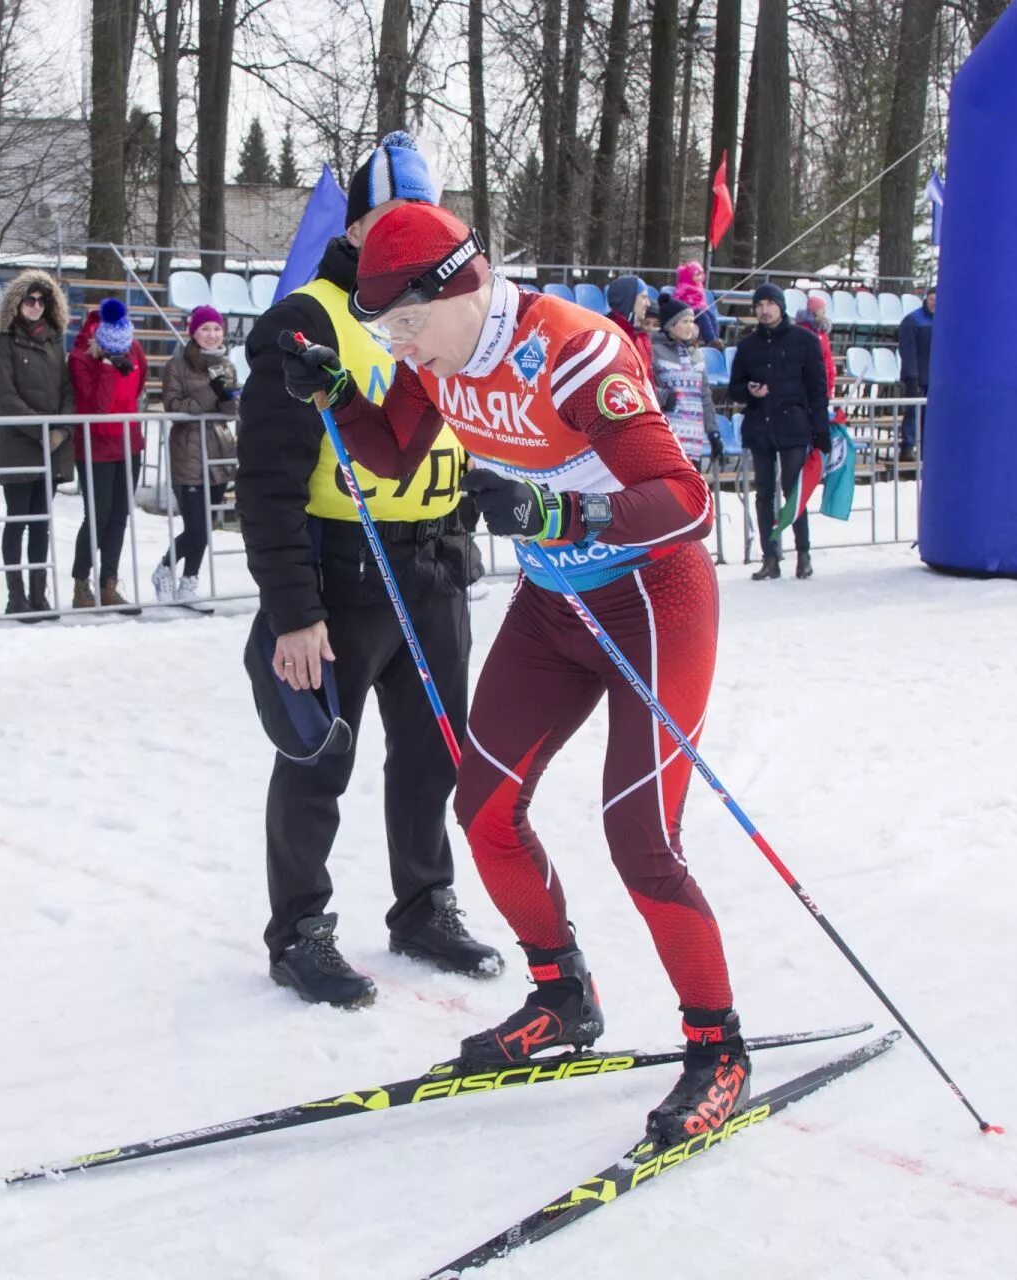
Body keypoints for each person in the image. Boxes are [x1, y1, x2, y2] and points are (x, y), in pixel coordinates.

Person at [282, 201, 747, 1149]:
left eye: (408, 321)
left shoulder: (574, 349)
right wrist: (333, 389)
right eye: (386, 331)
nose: (400, 344)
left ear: (463, 286)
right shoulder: (431, 356)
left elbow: (686, 502)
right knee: (485, 807)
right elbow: (389, 447)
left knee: (640, 835)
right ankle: (561, 993)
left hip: (653, 597)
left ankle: (718, 1048)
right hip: (554, 607)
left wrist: (558, 512)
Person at [238, 130, 500, 1008]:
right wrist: (291, 611)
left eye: (419, 220)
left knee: (434, 754)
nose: (402, 238)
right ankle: (300, 927)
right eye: (386, 219)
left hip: (435, 563)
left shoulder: (452, 310)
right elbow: (268, 484)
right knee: (319, 756)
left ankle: (424, 903)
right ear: (351, 229)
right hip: (344, 573)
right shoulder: (308, 319)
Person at [0, 270, 74, 618]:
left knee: (41, 523)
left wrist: (62, 430)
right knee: (18, 520)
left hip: (53, 447)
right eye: (30, 300)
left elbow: (68, 390)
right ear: (17, 303)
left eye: (42, 300)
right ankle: (16, 596)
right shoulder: (2, 343)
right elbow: (5, 397)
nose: (36, 306)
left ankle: (39, 594)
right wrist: (42, 431)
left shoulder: (55, 343)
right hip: (20, 446)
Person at [730, 282, 830, 581]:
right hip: (760, 425)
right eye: (759, 305)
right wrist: (749, 391)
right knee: (764, 493)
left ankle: (803, 552)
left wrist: (820, 430)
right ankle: (770, 556)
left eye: (770, 304)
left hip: (794, 424)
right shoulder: (748, 345)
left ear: (781, 306)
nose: (764, 309)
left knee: (793, 490)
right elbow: (734, 388)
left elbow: (817, 389)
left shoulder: (805, 340)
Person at [154, 304, 239, 602]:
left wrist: (228, 396)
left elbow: (230, 411)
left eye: (217, 328)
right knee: (196, 527)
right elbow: (175, 409)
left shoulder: (226, 364)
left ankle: (190, 579)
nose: (212, 335)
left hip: (218, 452)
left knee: (207, 527)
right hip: (188, 454)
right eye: (205, 329)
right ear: (193, 332)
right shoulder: (176, 366)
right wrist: (212, 392)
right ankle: (165, 567)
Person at [68, 297, 147, 611]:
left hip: (129, 444)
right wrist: (107, 367)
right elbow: (97, 407)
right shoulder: (79, 358)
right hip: (95, 447)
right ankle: (80, 582)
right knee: (97, 516)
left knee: (119, 516)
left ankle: (109, 583)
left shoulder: (134, 348)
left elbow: (138, 387)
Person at [649, 294, 724, 470]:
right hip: (667, 438)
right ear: (670, 325)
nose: (691, 326)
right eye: (685, 321)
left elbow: (704, 396)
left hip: (693, 438)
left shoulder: (696, 355)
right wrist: (665, 397)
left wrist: (713, 432)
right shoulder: (655, 351)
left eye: (692, 321)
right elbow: (648, 388)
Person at [897, 285, 936, 462]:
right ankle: (907, 448)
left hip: (935, 378)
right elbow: (908, 352)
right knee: (913, 413)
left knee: (931, 416)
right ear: (926, 299)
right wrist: (911, 377)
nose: (934, 304)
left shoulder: (945, 321)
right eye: (932, 300)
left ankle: (927, 449)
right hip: (918, 376)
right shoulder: (913, 320)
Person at [605, 275, 656, 370]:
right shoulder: (608, 337)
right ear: (629, 299)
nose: (648, 304)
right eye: (643, 297)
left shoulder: (642, 337)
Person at [673, 261, 722, 347]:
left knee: (711, 316)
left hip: (699, 309)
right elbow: (676, 299)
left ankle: (716, 339)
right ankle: (710, 340)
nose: (699, 278)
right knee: (703, 317)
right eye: (696, 275)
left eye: (701, 275)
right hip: (688, 310)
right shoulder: (683, 285)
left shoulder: (699, 286)